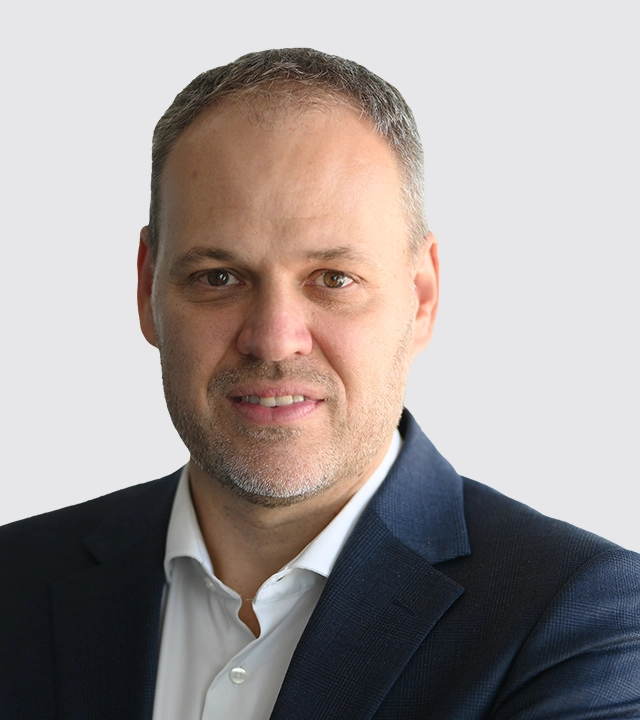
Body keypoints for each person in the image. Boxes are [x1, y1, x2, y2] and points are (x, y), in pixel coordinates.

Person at [1, 47, 639, 720]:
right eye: (219, 277)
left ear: (421, 297)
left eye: (333, 279)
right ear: (146, 288)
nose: (275, 339)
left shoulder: (580, 621)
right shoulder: (13, 583)